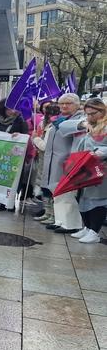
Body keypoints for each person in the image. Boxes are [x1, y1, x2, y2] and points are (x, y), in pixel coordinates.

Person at [42, 93, 84, 233]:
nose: (64, 106)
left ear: (77, 105)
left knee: (67, 194)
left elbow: (77, 132)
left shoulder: (80, 119)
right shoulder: (61, 119)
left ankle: (71, 224)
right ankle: (60, 220)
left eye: (68, 103)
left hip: (67, 162)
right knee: (57, 193)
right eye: (61, 103)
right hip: (54, 161)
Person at [67, 98, 107, 243]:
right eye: (87, 113)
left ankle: (94, 232)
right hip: (84, 166)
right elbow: (63, 125)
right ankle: (87, 227)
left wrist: (100, 152)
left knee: (98, 200)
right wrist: (83, 123)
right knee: (82, 197)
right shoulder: (89, 124)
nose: (89, 116)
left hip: (101, 169)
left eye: (92, 113)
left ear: (102, 111)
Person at [0, 100, 28, 211]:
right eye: (9, 108)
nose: (12, 111)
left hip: (13, 156)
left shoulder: (20, 120)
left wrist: (20, 136)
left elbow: (26, 136)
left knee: (12, 178)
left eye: (14, 108)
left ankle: (10, 200)